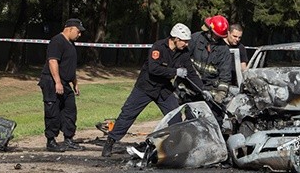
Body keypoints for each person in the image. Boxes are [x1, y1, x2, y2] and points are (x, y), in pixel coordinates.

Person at [101, 23, 212, 157]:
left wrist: (202, 89)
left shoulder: (183, 53)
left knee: (175, 117)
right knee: (127, 114)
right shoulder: (158, 47)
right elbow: (154, 69)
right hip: (146, 87)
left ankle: (175, 148)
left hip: (163, 89)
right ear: (176, 39)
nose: (186, 44)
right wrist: (174, 71)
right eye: (184, 41)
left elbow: (191, 73)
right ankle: (110, 142)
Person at [38, 18, 85, 152]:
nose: (79, 34)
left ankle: (68, 139)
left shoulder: (70, 44)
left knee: (70, 110)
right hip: (51, 81)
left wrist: (75, 83)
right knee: (53, 111)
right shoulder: (57, 41)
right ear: (69, 29)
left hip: (65, 82)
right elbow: (53, 62)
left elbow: (70, 66)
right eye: (78, 31)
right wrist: (57, 82)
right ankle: (51, 141)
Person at [185, 15, 234, 121]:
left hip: (210, 91)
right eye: (216, 35)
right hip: (191, 88)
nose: (217, 38)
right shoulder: (195, 39)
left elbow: (225, 76)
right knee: (191, 118)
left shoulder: (224, 50)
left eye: (219, 36)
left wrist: (220, 94)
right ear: (209, 30)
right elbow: (184, 60)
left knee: (216, 120)